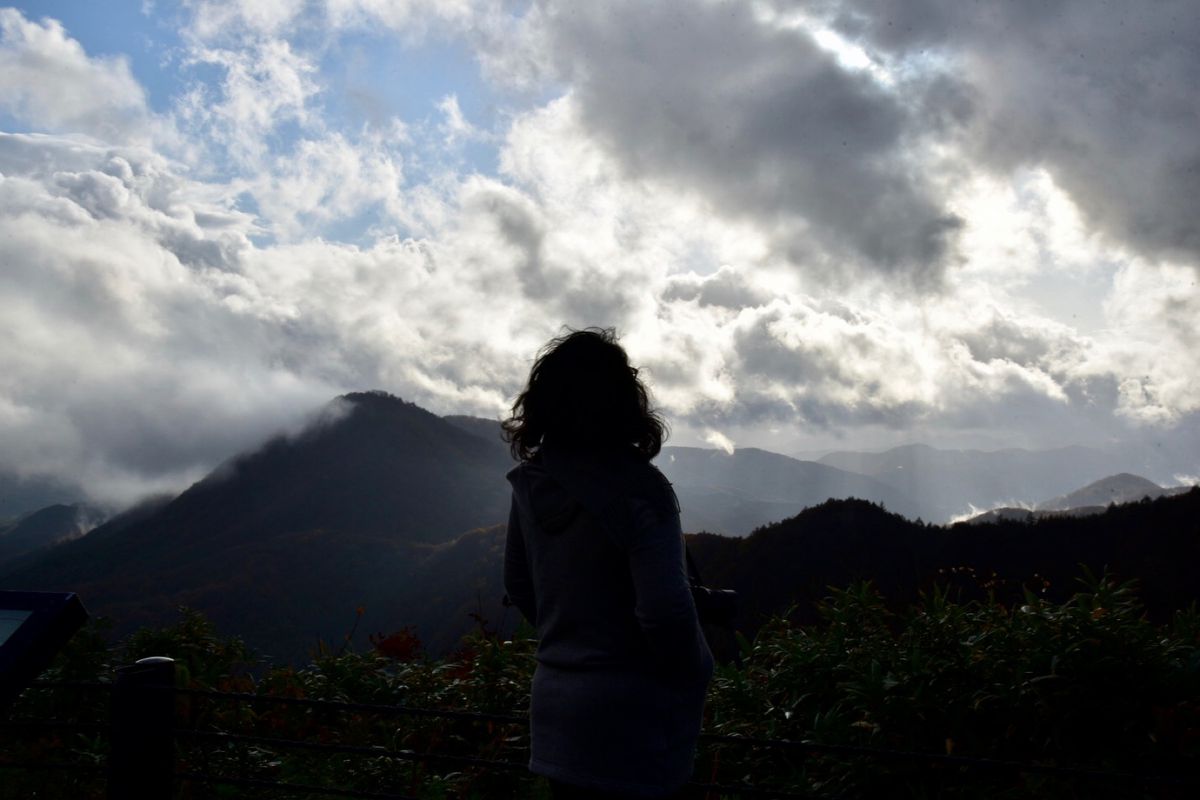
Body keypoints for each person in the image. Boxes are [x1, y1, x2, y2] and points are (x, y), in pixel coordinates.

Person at [502, 328, 715, 800]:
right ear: (626, 403)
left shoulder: (531, 485)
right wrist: (697, 669)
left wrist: (573, 642)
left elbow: (518, 583)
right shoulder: (644, 491)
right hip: (632, 723)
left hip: (557, 714)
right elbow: (664, 611)